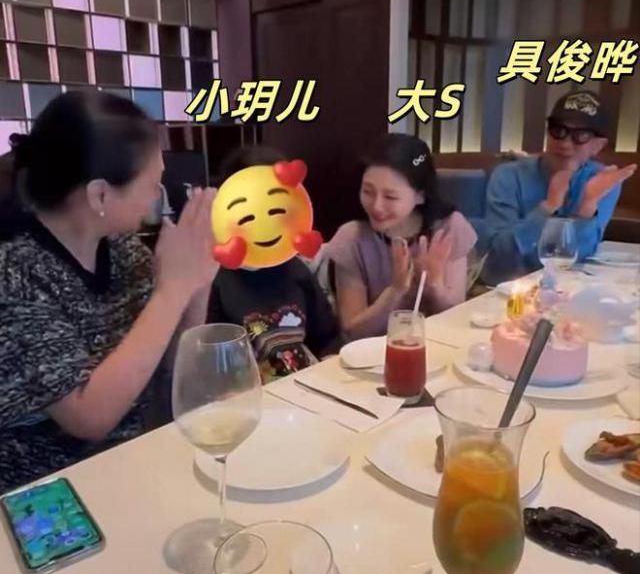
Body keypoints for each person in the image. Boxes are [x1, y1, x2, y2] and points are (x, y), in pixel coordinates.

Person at [0, 92, 216, 493]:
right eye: (151, 185)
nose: (157, 196)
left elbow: (175, 370)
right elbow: (89, 416)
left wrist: (197, 283)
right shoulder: (14, 275)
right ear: (100, 194)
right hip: (48, 499)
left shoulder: (122, 249)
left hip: (131, 469)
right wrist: (173, 290)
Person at [207, 146, 340, 383]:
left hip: (304, 391)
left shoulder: (297, 271)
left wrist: (330, 362)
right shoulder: (214, 280)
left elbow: (327, 337)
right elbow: (210, 365)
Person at [328, 133, 477, 340]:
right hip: (374, 354)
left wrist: (435, 286)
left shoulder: (448, 228)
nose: (377, 206)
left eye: (390, 197)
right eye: (368, 192)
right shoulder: (351, 239)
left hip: (438, 348)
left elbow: (455, 319)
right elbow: (352, 332)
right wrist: (395, 290)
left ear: (420, 195)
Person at [480, 90, 637, 285]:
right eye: (558, 130)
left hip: (565, 289)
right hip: (503, 288)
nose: (565, 143)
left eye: (580, 135)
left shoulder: (602, 181)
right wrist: (548, 206)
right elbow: (501, 251)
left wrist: (588, 205)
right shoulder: (508, 176)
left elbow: (581, 256)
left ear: (597, 146)